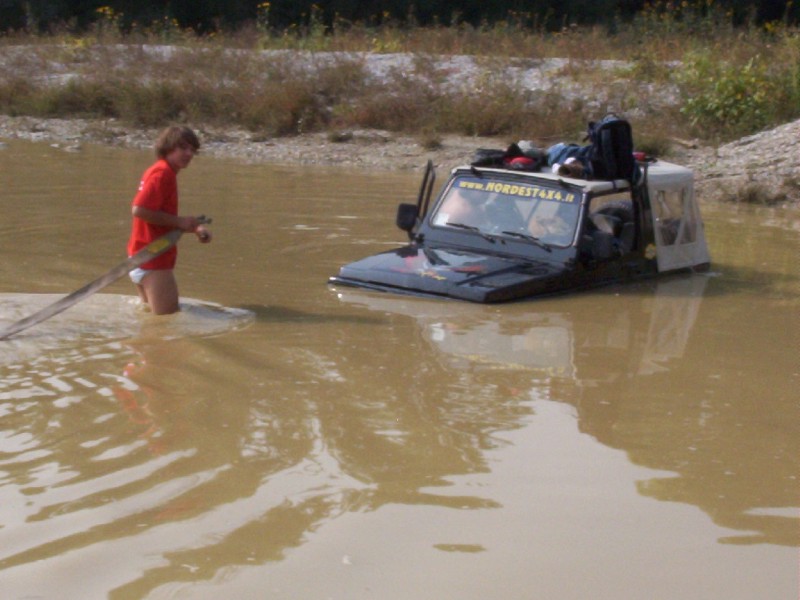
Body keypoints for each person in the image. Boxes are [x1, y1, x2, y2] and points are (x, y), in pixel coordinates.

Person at [127, 126, 212, 315]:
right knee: (167, 321)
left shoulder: (161, 171)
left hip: (140, 256)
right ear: (168, 147)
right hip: (153, 258)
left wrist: (194, 227)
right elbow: (139, 210)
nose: (189, 153)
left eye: (192, 150)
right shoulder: (163, 173)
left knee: (150, 320)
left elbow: (160, 216)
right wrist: (180, 222)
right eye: (183, 148)